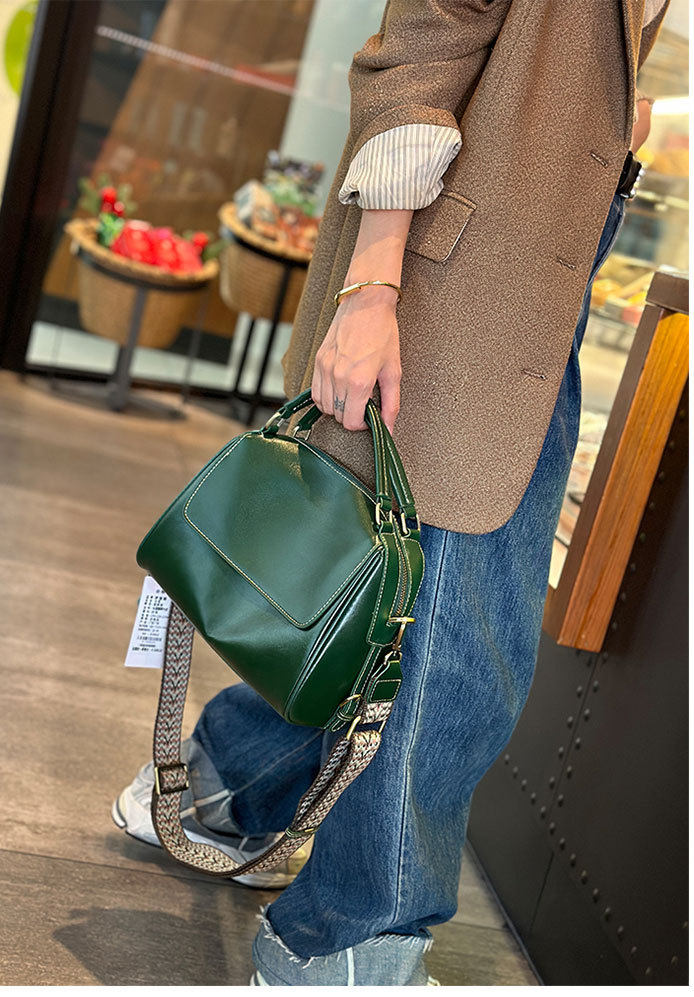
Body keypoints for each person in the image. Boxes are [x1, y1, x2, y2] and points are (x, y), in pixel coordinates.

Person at [113, 0, 668, 985]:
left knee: (384, 622)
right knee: (454, 663)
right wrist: (370, 293)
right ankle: (342, 944)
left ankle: (219, 791)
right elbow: (417, 45)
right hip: (450, 294)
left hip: (529, 293)